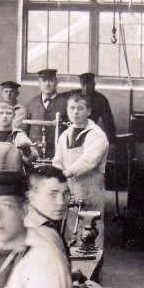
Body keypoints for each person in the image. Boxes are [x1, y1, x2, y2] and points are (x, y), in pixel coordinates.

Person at [52, 93, 109, 247]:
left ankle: (94, 268)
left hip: (90, 192)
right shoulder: (65, 135)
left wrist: (65, 173)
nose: (76, 112)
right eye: (72, 108)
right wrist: (56, 174)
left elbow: (88, 161)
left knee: (91, 232)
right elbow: (58, 160)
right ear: (67, 111)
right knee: (70, 229)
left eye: (80, 108)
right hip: (70, 191)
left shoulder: (97, 135)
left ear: (89, 111)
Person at [25, 69, 70, 153]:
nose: (47, 84)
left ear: (57, 82)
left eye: (51, 80)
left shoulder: (66, 103)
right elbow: (25, 129)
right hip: (35, 153)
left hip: (57, 152)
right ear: (39, 83)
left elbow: (71, 130)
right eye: (44, 80)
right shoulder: (32, 103)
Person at [77, 73, 116, 146]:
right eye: (83, 84)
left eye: (88, 84)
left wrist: (111, 142)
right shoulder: (74, 95)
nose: (85, 87)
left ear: (94, 84)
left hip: (90, 134)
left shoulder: (101, 99)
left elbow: (108, 122)